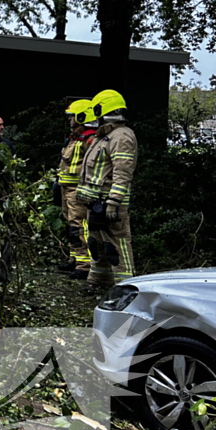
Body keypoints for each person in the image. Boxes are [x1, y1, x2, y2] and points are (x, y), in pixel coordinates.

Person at [75, 90, 137, 293]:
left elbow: (122, 172)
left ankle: (125, 288)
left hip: (110, 203)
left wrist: (114, 201)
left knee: (117, 246)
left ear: (103, 110)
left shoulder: (122, 137)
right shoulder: (106, 137)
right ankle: (98, 281)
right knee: (96, 244)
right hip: (95, 202)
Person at [56, 100, 96, 277]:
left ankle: (84, 265)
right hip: (67, 188)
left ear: (82, 117)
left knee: (78, 226)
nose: (70, 120)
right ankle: (74, 259)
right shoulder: (74, 138)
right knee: (70, 225)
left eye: (73, 116)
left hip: (78, 190)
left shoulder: (90, 139)